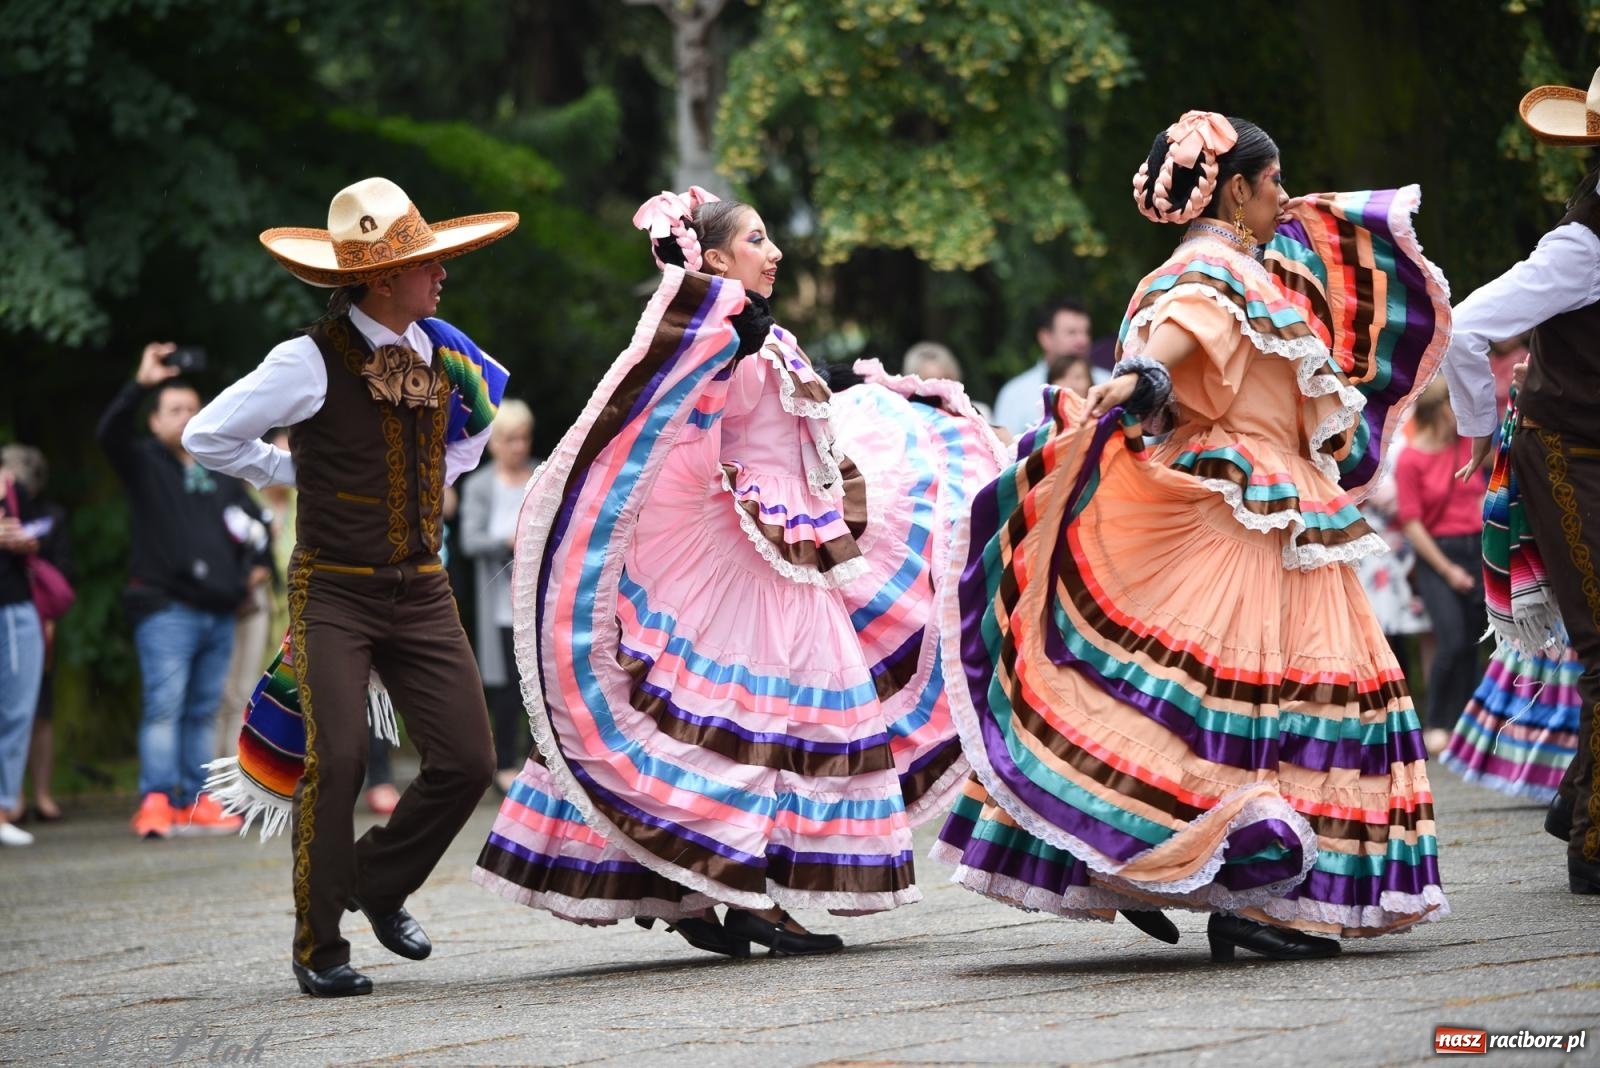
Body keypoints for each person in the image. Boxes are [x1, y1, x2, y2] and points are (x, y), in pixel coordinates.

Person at [935, 111, 1452, 962]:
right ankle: (1253, 894)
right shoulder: (1213, 271)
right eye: (1273, 182)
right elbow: (1178, 345)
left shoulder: (1223, 265)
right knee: (1266, 701)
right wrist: (1135, 379)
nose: (1283, 198)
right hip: (1245, 510)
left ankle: (1176, 869)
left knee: (1175, 697)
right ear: (1239, 189)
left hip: (1248, 499)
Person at [473, 186, 1004, 958]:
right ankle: (754, 896)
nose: (775, 250)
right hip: (745, 559)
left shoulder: (756, 330)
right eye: (757, 239)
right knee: (770, 719)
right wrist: (724, 344)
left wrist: (885, 404)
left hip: (787, 551)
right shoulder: (702, 336)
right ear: (715, 257)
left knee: (738, 722)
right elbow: (665, 430)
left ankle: (707, 888)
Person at [183, 176, 516, 996]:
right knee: (337, 757)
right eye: (425, 266)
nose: (441, 277)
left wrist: (443, 470)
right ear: (380, 279)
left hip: (423, 587)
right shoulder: (305, 359)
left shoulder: (446, 352)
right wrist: (287, 470)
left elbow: (470, 438)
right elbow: (206, 433)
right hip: (335, 587)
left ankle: (377, 883)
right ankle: (321, 943)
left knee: (470, 761)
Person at [1441, 66, 1600, 895]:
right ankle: (1594, 846)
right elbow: (1465, 329)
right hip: (1566, 453)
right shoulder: (1581, 246)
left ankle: (1576, 796)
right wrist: (1474, 431)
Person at [97, 352, 269, 840]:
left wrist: (255, 570)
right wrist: (140, 383)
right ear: (153, 422)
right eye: (174, 409)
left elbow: (255, 527)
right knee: (165, 705)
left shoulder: (219, 468)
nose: (187, 417)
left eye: (194, 408)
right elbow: (107, 434)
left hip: (219, 610)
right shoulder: (144, 462)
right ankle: (155, 800)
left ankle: (197, 802)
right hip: (165, 608)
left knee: (203, 708)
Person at [1394, 379, 1488, 755]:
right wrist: (1448, 570)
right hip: (1437, 555)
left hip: (1475, 548)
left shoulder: (1467, 447)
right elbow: (1412, 523)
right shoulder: (1411, 459)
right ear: (1441, 412)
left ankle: (1467, 727)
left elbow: (1487, 488)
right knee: (1449, 641)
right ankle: (1436, 722)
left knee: (1472, 643)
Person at [459, 399, 539, 796]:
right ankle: (506, 764)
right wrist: (505, 541)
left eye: (524, 438)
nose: (519, 446)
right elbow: (468, 541)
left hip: (536, 603)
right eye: (510, 439)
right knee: (507, 689)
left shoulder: (542, 475)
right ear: (494, 443)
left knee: (540, 688)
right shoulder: (478, 485)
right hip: (498, 606)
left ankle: (538, 764)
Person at [0, 446, 70, 826]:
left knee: (27, 710)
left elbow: (46, 553)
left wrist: (23, 544)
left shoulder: (26, 500)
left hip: (22, 609)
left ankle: (18, 801)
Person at [0, 465, 46, 847]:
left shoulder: (11, 484)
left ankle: (2, 810)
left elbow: (44, 531)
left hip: (15, 606)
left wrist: (24, 539)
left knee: (15, 712)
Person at [990, 297, 1092, 435]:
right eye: (1072, 333)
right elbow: (1002, 450)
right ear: (1046, 338)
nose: (1082, 340)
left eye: (1085, 332)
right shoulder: (1015, 394)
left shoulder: (1108, 382)